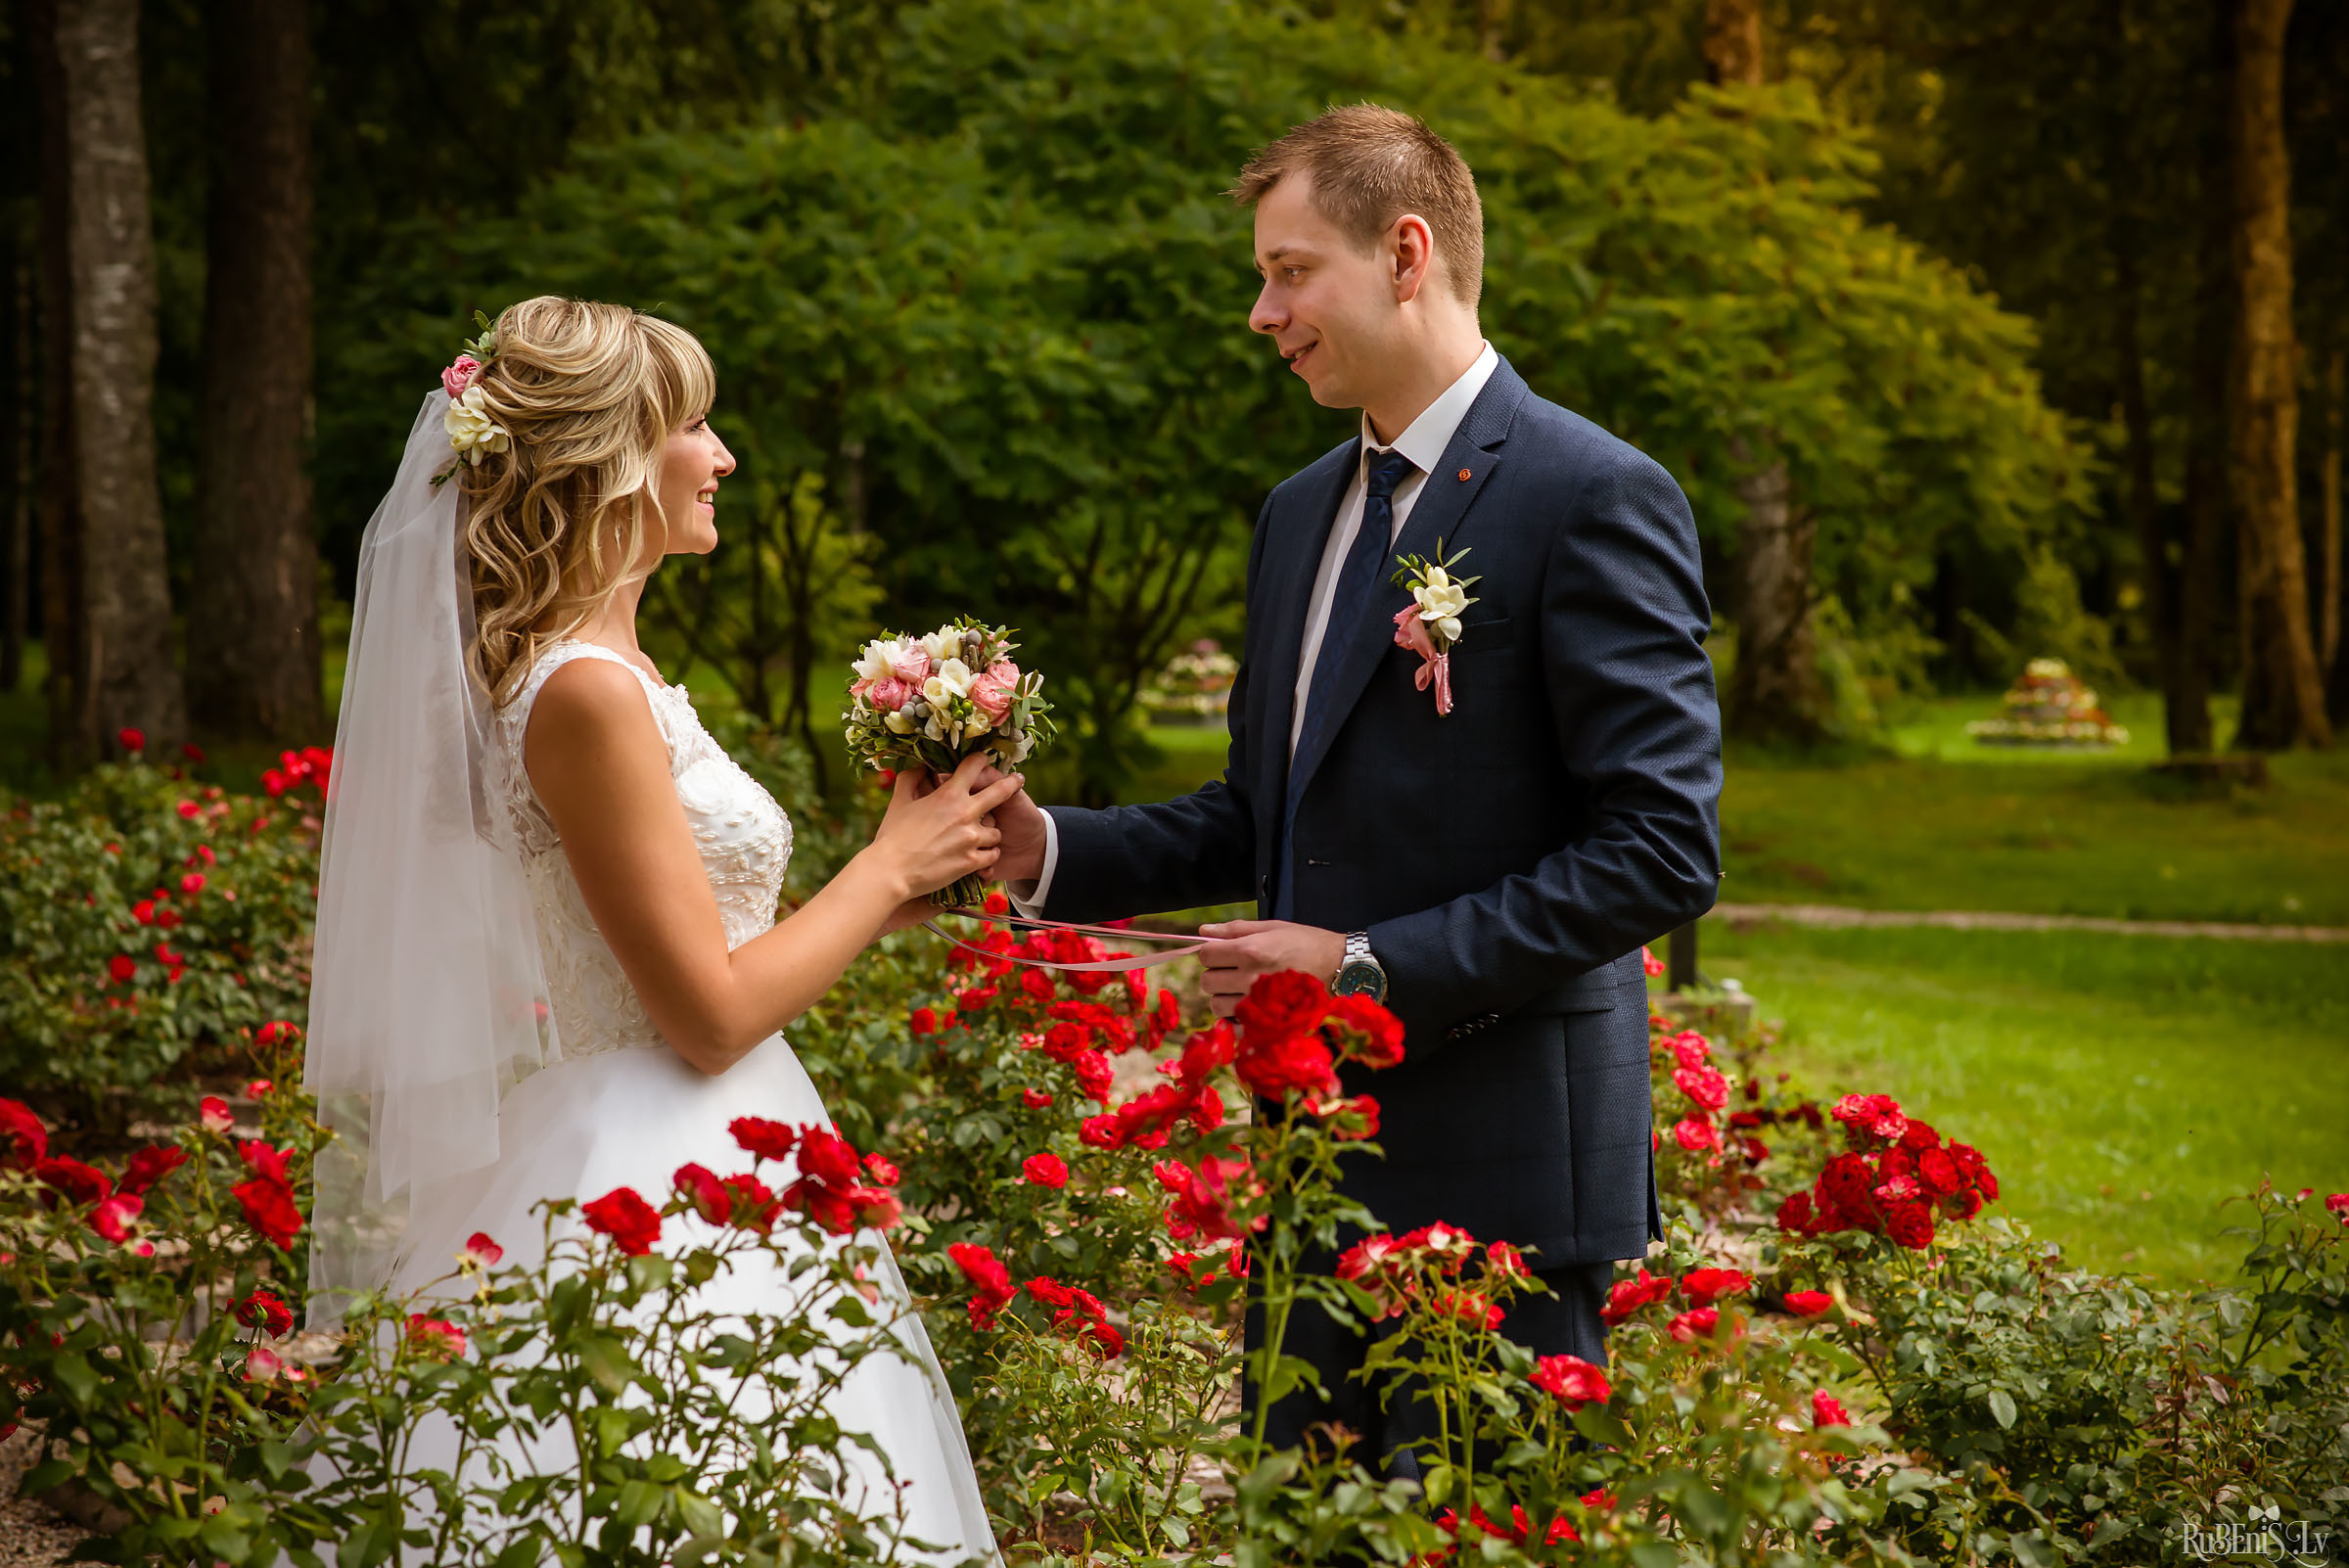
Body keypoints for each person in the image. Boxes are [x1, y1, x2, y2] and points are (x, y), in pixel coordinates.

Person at [991, 106, 1724, 1472]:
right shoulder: (1298, 511)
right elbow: (1262, 817)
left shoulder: (1593, 493)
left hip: (1504, 1185)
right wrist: (1040, 846)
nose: (1263, 313)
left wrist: (1366, 966)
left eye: (1289, 271)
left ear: (1405, 252)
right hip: (1311, 1177)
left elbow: (1662, 849)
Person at [303, 296, 1005, 1559]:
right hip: (657, 1153)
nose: (724, 455)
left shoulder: (611, 671)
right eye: (694, 423)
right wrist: (887, 864)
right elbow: (708, 1012)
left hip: (725, 1129)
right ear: (612, 457)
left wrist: (907, 875)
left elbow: (715, 943)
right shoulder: (584, 692)